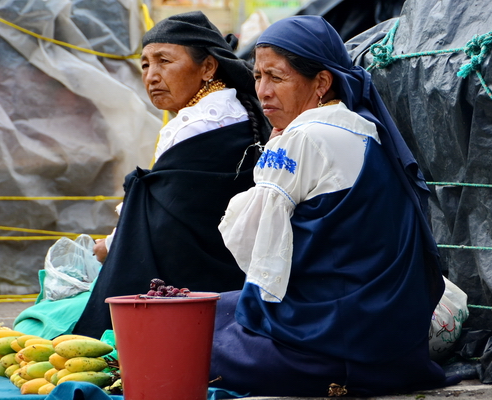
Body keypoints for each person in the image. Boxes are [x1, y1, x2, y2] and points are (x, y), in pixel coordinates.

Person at [209, 15, 460, 397]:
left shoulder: (304, 137)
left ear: (322, 83)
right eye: (258, 76)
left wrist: (273, 153)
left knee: (191, 337)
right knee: (216, 309)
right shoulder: (365, 129)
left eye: (277, 77)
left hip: (330, 342)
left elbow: (249, 243)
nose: (263, 91)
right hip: (385, 336)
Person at [71, 11, 270, 339]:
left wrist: (111, 245)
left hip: (199, 281)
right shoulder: (232, 108)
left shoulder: (202, 121)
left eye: (164, 61)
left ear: (207, 67)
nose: (151, 75)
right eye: (146, 64)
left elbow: (162, 217)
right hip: (235, 274)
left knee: (63, 312)